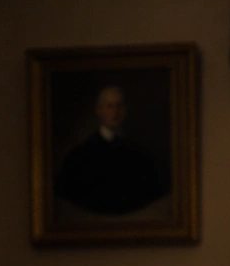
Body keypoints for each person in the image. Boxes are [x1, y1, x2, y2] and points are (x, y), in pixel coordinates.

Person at [55, 85, 168, 215]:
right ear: (99, 110)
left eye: (119, 106)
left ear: (126, 110)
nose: (115, 112)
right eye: (110, 106)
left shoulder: (140, 154)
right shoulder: (79, 155)